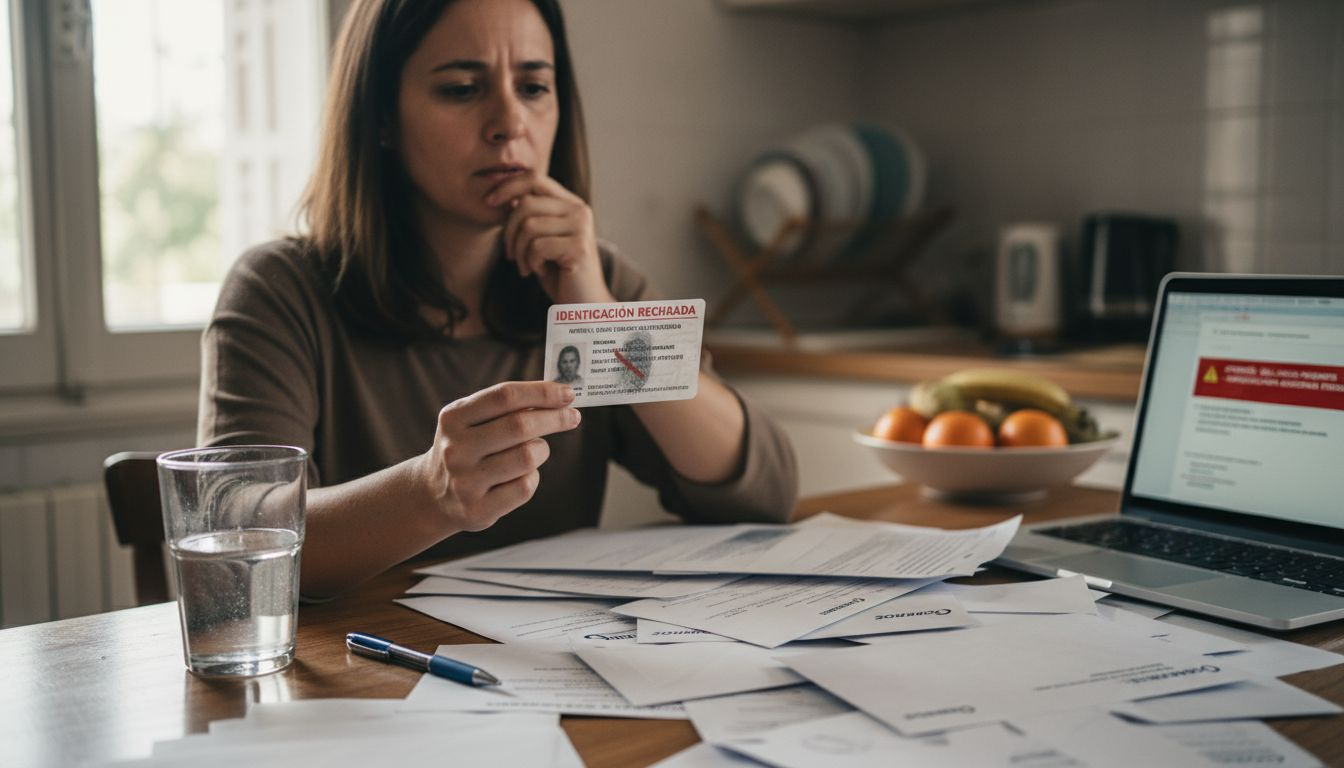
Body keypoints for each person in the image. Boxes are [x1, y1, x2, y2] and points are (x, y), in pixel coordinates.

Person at [197, 0, 798, 599]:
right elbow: (235, 533)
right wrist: (430, 491)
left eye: (534, 86)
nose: (510, 123)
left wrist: (600, 318)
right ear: (381, 115)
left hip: (546, 667)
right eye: (461, 89)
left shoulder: (593, 277)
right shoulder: (278, 291)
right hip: (354, 672)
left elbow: (766, 492)